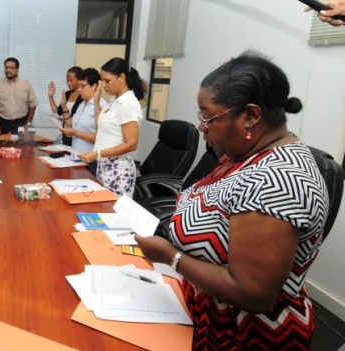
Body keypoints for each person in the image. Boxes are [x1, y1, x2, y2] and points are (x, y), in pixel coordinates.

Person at [135, 51, 329, 350]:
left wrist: (171, 257)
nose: (201, 125)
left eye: (207, 115)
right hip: (207, 318)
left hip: (246, 337)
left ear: (251, 115)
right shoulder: (247, 156)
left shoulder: (276, 180)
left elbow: (252, 293)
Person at [78, 58, 144, 197]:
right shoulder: (114, 101)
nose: (103, 85)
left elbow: (131, 144)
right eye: (102, 80)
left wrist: (97, 153)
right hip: (104, 166)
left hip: (117, 170)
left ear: (121, 77)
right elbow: (102, 127)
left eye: (107, 81)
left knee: (113, 215)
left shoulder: (128, 103)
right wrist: (96, 101)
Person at [59, 68, 106, 176]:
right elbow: (72, 125)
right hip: (77, 158)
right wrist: (64, 106)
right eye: (79, 86)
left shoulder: (102, 106)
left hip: (91, 162)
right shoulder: (82, 104)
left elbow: (101, 138)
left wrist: (76, 133)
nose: (79, 90)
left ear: (94, 86)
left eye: (83, 86)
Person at [0, 57, 39, 137]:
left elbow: (33, 104)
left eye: (12, 68)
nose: (8, 70)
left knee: (23, 146)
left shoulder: (26, 84)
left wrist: (28, 124)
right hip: (2, 123)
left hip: (21, 123)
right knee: (0, 147)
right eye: (6, 67)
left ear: (17, 69)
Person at [48, 66, 84, 146]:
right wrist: (51, 96)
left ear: (79, 80)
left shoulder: (83, 96)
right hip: (66, 132)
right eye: (67, 81)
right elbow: (57, 112)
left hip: (77, 134)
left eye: (71, 81)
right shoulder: (67, 94)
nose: (68, 83)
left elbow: (81, 118)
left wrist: (67, 119)